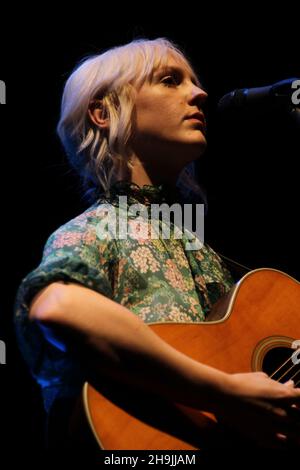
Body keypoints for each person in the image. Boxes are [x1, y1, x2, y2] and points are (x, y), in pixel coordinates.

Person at [14, 38, 300, 456]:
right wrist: (224, 393)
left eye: (194, 82)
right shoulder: (99, 229)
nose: (200, 93)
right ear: (103, 113)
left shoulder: (201, 251)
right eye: (170, 80)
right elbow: (57, 307)